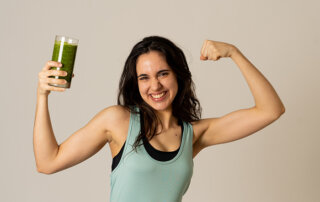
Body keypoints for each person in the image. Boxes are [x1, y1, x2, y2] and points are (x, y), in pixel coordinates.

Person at [33, 36, 285, 202]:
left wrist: (234, 52)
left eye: (163, 73)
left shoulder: (194, 134)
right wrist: (42, 95)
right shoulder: (118, 121)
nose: (155, 85)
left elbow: (270, 110)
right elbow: (47, 162)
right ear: (136, 83)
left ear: (178, 76)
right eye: (144, 77)